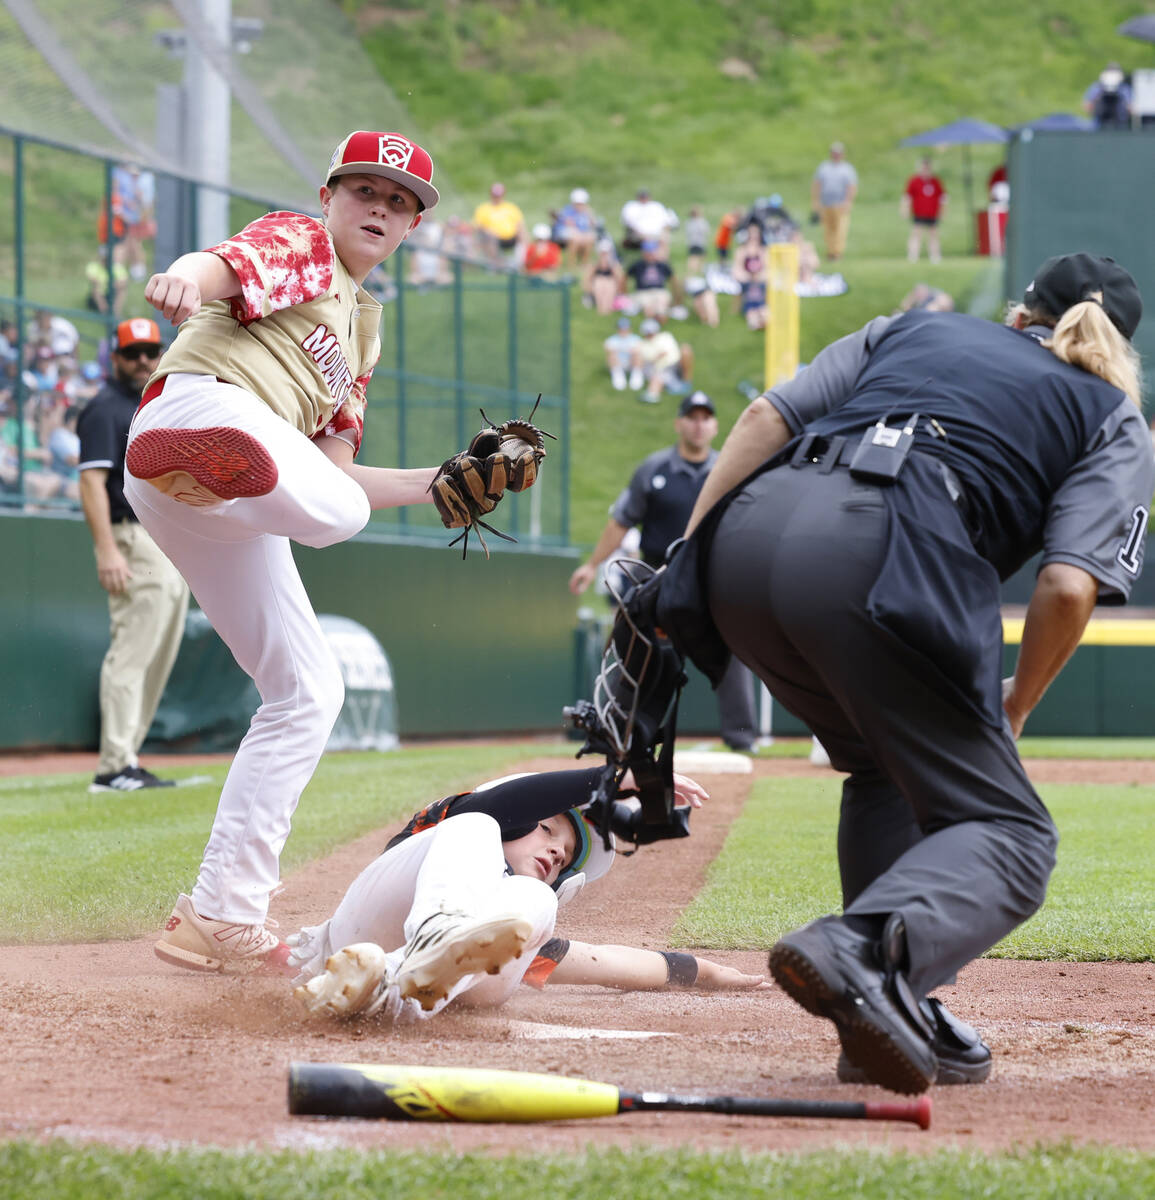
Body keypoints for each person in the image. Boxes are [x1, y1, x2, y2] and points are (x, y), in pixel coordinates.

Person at [678, 252, 1152, 1093]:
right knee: (1012, 836)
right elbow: (1069, 582)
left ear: (1018, 315)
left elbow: (762, 416)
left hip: (742, 550)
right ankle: (867, 951)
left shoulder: (913, 326)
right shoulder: (1111, 414)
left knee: (876, 762)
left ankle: (887, 1009)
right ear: (1122, 351)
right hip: (883, 555)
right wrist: (1018, 703)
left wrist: (686, 558)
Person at [121, 130, 451, 975]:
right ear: (330, 196)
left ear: (412, 226)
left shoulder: (362, 336)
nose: (380, 207)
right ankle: (214, 462)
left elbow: (336, 474)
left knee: (309, 688)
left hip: (217, 493)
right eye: (365, 191)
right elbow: (223, 266)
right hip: (196, 411)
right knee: (329, 511)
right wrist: (180, 279)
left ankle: (219, 916)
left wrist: (439, 484)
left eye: (399, 200)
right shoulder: (300, 241)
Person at [290, 766, 764, 1020]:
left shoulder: (512, 918)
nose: (557, 851)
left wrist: (705, 970)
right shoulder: (463, 826)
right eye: (548, 829)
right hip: (358, 934)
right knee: (475, 824)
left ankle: (400, 983)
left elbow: (604, 962)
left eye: (566, 854)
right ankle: (429, 947)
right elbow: (502, 805)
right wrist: (615, 778)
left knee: (537, 902)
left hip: (423, 992)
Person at [570, 392, 757, 752]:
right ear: (679, 423)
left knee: (733, 651)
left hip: (710, 574)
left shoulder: (726, 469)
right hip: (657, 576)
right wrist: (592, 565)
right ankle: (618, 733)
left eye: (706, 417)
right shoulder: (653, 469)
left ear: (715, 426)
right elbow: (621, 521)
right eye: (692, 417)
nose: (699, 424)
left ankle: (742, 738)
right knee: (638, 654)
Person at [77, 318, 190, 793]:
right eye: (132, 352)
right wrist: (106, 549)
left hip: (163, 538)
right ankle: (113, 766)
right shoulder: (105, 409)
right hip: (131, 537)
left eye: (150, 350)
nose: (143, 360)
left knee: (157, 652)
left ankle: (127, 758)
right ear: (116, 358)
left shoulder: (152, 405)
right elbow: (90, 482)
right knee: (133, 649)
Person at [809, 141, 858, 261]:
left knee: (840, 230)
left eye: (838, 153)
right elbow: (817, 184)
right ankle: (830, 252)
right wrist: (816, 201)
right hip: (826, 203)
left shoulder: (847, 169)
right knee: (827, 230)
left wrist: (848, 201)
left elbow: (851, 187)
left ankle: (837, 252)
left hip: (840, 204)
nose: (836, 155)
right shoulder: (824, 167)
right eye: (834, 153)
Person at [635, 317, 693, 402]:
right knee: (658, 377)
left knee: (686, 349)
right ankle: (653, 394)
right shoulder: (642, 345)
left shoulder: (666, 336)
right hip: (660, 369)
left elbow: (670, 351)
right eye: (648, 332)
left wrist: (660, 355)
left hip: (675, 364)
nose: (650, 334)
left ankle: (686, 382)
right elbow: (650, 359)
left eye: (651, 332)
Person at [902, 158, 948, 264]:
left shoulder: (935, 182)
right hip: (919, 212)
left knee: (933, 234)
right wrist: (905, 209)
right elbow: (907, 197)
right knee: (916, 233)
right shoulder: (914, 181)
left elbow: (943, 198)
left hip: (932, 213)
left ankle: (935, 256)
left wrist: (943, 212)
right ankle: (913, 255)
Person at [472, 182, 527, 266]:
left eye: (499, 195)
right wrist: (488, 231)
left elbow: (520, 224)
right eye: (495, 195)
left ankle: (522, 263)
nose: (497, 197)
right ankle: (495, 265)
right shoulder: (483, 208)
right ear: (491, 194)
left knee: (523, 235)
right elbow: (477, 226)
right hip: (493, 239)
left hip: (511, 238)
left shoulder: (511, 207)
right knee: (489, 238)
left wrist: (521, 233)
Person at [730, 223, 769, 331]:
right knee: (751, 311)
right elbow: (736, 269)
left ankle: (763, 319)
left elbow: (768, 269)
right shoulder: (741, 251)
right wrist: (749, 277)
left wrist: (758, 276)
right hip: (747, 285)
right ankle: (754, 321)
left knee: (764, 310)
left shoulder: (763, 251)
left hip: (760, 285)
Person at [626, 240, 675, 320]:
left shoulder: (662, 264)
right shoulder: (638, 264)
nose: (650, 255)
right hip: (643, 292)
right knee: (648, 307)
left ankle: (658, 323)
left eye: (652, 252)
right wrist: (624, 293)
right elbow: (625, 277)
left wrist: (677, 297)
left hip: (659, 291)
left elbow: (673, 279)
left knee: (661, 306)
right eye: (648, 252)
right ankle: (652, 323)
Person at [620, 188, 677, 255]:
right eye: (642, 197)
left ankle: (661, 262)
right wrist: (643, 234)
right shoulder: (631, 207)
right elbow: (629, 223)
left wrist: (663, 230)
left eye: (645, 197)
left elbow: (667, 221)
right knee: (649, 240)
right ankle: (650, 260)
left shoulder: (656, 206)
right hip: (638, 234)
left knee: (664, 238)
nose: (644, 199)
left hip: (657, 233)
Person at [555, 187, 598, 268]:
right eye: (578, 203)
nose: (580, 205)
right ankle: (571, 263)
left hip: (582, 233)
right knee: (575, 238)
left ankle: (585, 262)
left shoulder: (587, 211)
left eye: (581, 203)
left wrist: (590, 214)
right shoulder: (568, 210)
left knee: (590, 237)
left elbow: (593, 224)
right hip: (568, 232)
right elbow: (569, 224)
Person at [582, 239, 626, 315]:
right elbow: (587, 278)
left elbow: (620, 279)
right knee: (599, 283)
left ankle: (607, 308)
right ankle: (601, 308)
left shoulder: (615, 264)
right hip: (597, 286)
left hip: (611, 285)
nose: (604, 254)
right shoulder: (594, 264)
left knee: (609, 284)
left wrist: (611, 265)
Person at [1083, 63, 1131, 129]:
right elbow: (1087, 107)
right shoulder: (1097, 87)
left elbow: (1131, 108)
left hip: (1120, 124)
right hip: (1098, 124)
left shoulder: (1124, 89)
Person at [603, 315, 642, 392]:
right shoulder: (613, 339)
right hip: (618, 363)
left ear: (629, 328)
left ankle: (636, 375)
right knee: (612, 355)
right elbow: (608, 348)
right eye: (621, 328)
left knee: (637, 355)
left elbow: (639, 349)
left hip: (631, 362)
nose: (623, 330)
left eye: (625, 328)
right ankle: (618, 375)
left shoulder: (635, 338)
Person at [684, 205, 710, 276]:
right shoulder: (701, 222)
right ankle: (697, 272)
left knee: (693, 258)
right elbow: (705, 231)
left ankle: (693, 272)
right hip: (699, 243)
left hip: (692, 243)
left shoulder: (689, 222)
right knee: (699, 259)